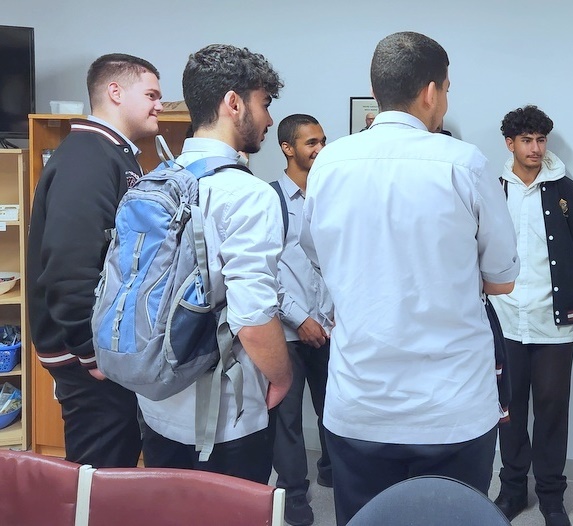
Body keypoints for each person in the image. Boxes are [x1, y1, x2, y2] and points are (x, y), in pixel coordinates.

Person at [300, 31, 520, 526]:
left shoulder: (330, 163)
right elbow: (502, 279)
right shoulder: (463, 163)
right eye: (446, 89)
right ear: (430, 91)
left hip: (359, 403)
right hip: (451, 405)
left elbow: (318, 253)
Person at [136, 44, 292, 484]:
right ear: (233, 103)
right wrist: (281, 378)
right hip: (225, 417)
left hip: (157, 400)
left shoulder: (157, 180)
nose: (267, 119)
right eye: (264, 104)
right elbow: (252, 318)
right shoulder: (248, 194)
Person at [27, 53, 163, 467]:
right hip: (85, 354)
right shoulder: (89, 155)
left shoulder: (114, 152)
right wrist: (91, 353)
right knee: (99, 471)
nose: (160, 105)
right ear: (115, 92)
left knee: (116, 454)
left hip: (100, 347)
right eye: (152, 94)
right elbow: (70, 266)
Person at [491, 105, 573, 526]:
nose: (536, 148)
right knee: (509, 409)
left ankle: (552, 498)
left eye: (541, 140)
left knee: (553, 409)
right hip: (504, 320)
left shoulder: (565, 191)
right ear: (510, 143)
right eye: (527, 140)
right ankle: (513, 489)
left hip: (553, 322)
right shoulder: (493, 189)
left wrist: (572, 287)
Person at [272, 114, 332, 526]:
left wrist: (331, 319)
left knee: (336, 411)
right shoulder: (268, 200)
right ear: (287, 148)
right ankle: (294, 495)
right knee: (287, 419)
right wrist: (300, 319)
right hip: (289, 332)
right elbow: (261, 272)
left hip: (331, 328)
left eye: (323, 141)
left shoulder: (333, 197)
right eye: (311, 142)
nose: (320, 149)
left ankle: (334, 472)